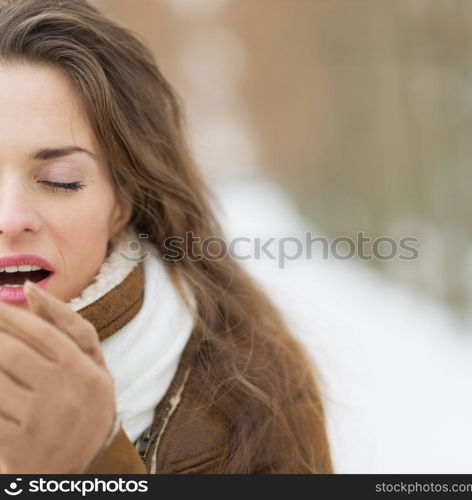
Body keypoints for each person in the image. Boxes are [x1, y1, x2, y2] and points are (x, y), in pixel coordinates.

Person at [0, 0, 334, 474]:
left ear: (122, 204)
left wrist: (92, 462)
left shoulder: (254, 394)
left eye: (59, 179)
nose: (11, 218)